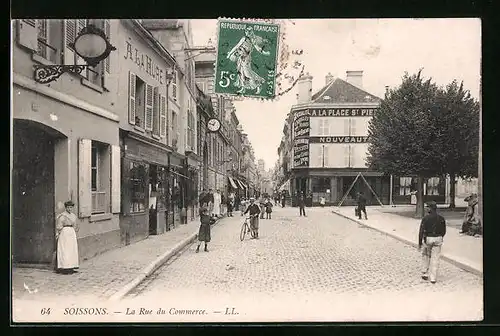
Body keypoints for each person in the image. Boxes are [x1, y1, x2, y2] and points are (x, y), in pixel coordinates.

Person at [418, 201, 447, 284]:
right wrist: (440, 237)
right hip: (438, 238)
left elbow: (421, 231)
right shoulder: (441, 218)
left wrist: (420, 242)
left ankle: (425, 273)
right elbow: (444, 231)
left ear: (430, 208)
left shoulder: (426, 218)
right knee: (435, 257)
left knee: (426, 255)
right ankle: (433, 277)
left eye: (427, 207)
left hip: (428, 238)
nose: (426, 208)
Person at [55, 200, 79, 274]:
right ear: (66, 208)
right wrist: (58, 232)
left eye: (71, 207)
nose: (69, 209)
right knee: (65, 250)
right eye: (68, 207)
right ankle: (64, 267)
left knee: (72, 249)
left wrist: (74, 231)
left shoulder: (73, 216)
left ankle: (71, 267)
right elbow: (59, 226)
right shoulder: (62, 216)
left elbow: (76, 225)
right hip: (64, 232)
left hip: (71, 232)